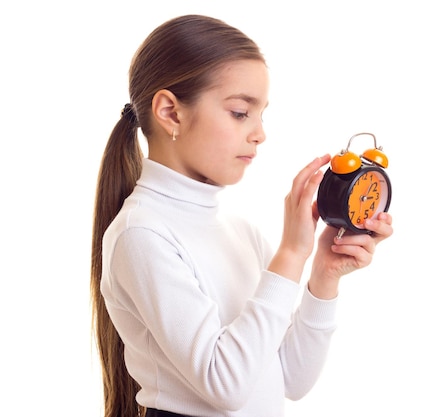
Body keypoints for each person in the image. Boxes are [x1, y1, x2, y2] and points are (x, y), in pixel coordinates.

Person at [90, 14, 393, 417]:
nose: (259, 133)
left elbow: (290, 380)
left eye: (262, 114)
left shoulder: (239, 231)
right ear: (170, 113)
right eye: (239, 113)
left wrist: (323, 274)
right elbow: (226, 386)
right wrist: (290, 255)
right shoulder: (141, 234)